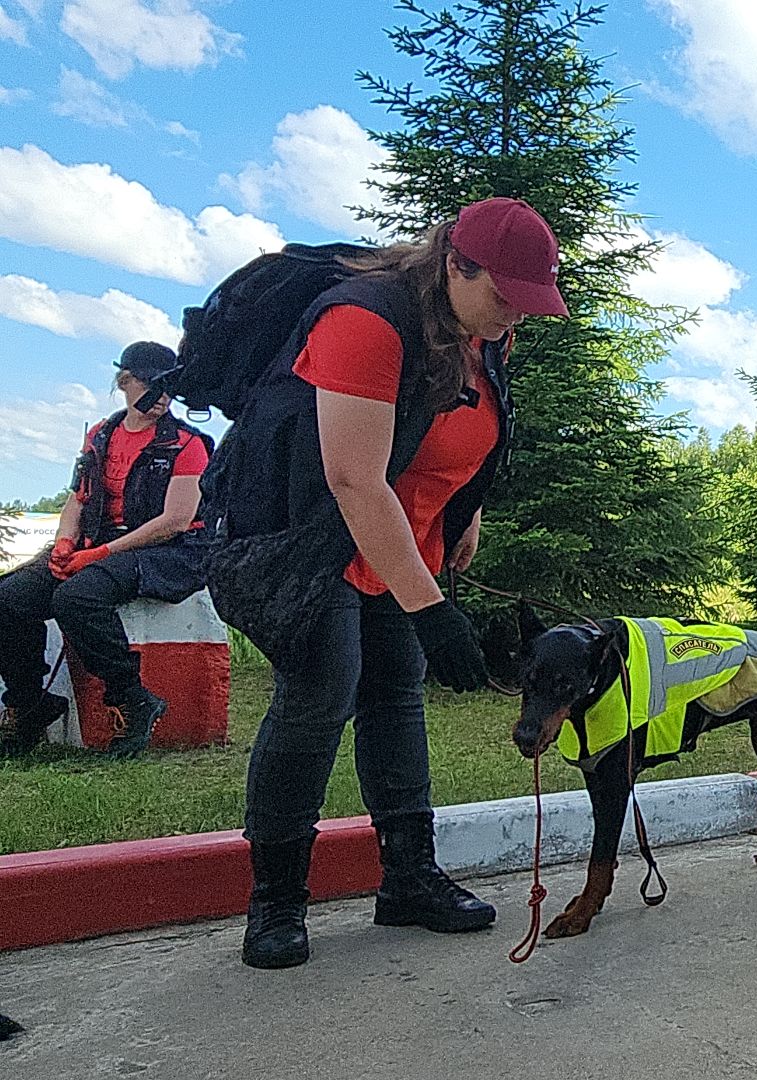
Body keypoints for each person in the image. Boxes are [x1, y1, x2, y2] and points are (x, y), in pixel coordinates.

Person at [202, 197, 568, 969]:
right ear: (453, 264)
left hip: (396, 535)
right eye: (504, 299)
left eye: (527, 308)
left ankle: (407, 880)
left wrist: (464, 515)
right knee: (321, 690)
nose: (512, 322)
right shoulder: (366, 318)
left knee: (396, 688)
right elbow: (352, 479)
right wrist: (432, 612)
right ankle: (275, 903)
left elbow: (458, 431)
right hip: (301, 534)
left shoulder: (480, 331)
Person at [0, 342, 212, 760]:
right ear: (125, 382)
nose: (163, 397)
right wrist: (64, 542)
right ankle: (29, 704)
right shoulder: (100, 435)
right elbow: (78, 499)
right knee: (8, 599)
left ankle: (132, 700)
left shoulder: (189, 443)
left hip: (170, 551)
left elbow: (176, 520)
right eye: (153, 386)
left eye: (172, 388)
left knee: (76, 598)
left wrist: (99, 555)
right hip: (99, 543)